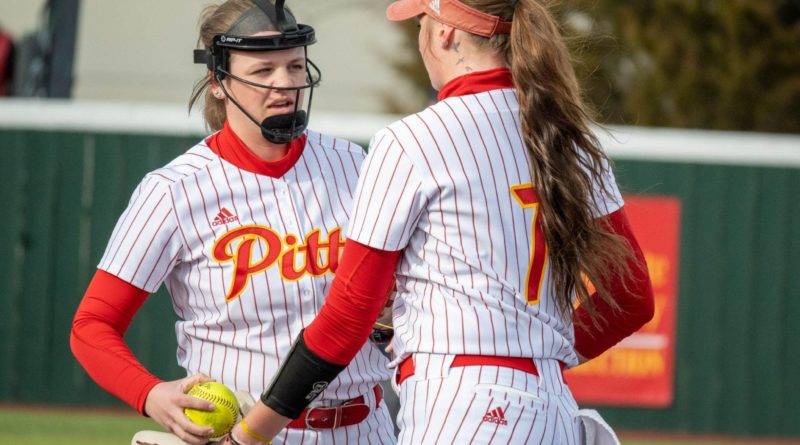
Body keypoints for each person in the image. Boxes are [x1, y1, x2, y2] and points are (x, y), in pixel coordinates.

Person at [225, 0, 657, 444]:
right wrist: (535, 358)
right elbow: (629, 299)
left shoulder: (412, 140)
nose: (420, 36)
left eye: (421, 22)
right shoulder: (570, 137)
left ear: (446, 32)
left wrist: (249, 434)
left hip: (463, 407)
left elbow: (346, 319)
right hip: (551, 408)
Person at [69, 1, 396, 444]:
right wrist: (151, 394)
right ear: (219, 82)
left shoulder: (353, 163)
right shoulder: (174, 190)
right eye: (263, 71)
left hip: (369, 427)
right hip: (242, 433)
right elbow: (91, 325)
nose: (285, 84)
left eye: (295, 66)